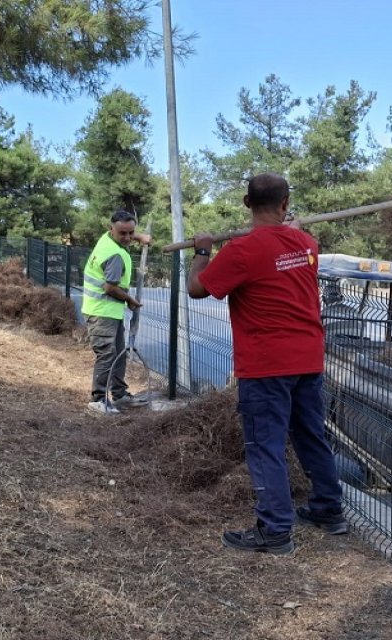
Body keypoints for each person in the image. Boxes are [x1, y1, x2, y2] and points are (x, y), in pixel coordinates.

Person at [187, 172, 347, 555]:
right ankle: (329, 510)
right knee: (311, 435)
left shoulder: (241, 251)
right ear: (285, 203)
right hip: (308, 359)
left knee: (265, 444)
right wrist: (293, 229)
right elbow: (291, 245)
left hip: (266, 364)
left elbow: (196, 289)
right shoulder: (307, 244)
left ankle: (275, 529)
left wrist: (203, 251)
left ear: (246, 203)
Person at [82, 210, 152, 414]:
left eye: (131, 232)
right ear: (111, 229)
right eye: (123, 233)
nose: (128, 238)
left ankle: (120, 396)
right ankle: (98, 400)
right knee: (107, 355)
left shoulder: (107, 239)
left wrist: (141, 237)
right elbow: (110, 288)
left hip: (109, 312)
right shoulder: (114, 255)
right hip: (101, 312)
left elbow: (126, 234)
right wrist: (130, 300)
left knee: (118, 354)